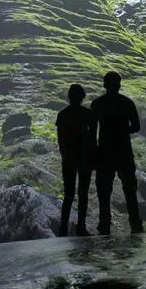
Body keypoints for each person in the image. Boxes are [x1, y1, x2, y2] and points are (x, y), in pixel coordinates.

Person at [91, 71, 143, 234]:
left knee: (104, 190)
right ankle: (135, 223)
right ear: (119, 85)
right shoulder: (127, 103)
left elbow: (92, 131)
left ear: (104, 84)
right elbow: (136, 127)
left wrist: (93, 153)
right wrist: (122, 130)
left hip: (104, 152)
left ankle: (104, 223)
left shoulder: (97, 104)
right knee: (129, 190)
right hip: (124, 152)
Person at [55, 83, 95, 236]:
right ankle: (81, 226)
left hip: (69, 159)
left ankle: (63, 227)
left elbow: (60, 140)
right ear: (82, 97)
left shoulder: (63, 114)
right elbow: (92, 137)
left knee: (69, 194)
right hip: (85, 158)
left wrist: (64, 155)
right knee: (83, 194)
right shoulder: (87, 114)